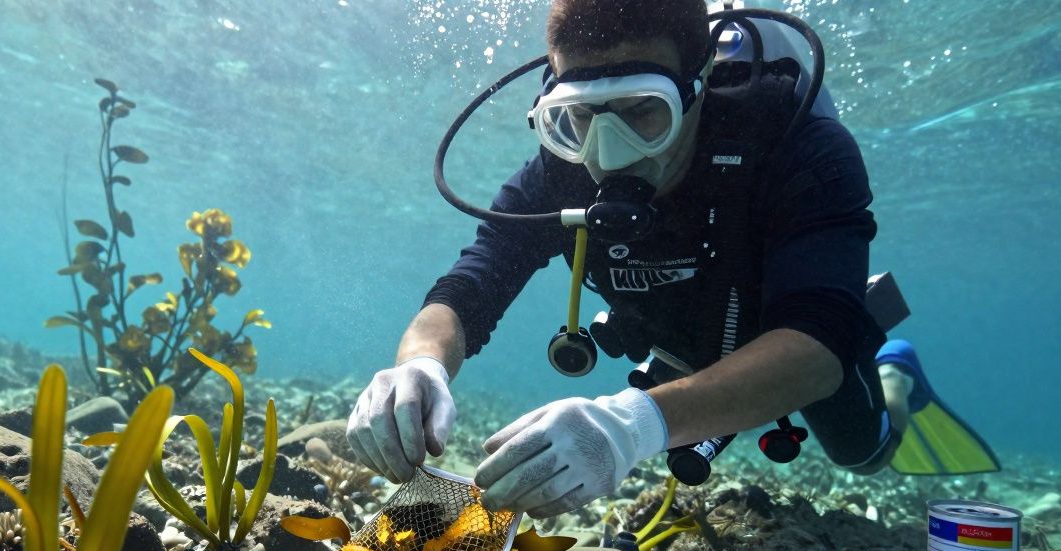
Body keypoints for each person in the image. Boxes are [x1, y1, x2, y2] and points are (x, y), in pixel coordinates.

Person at [348, 0, 998, 519]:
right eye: (577, 119)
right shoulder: (562, 171)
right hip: (682, 343)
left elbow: (817, 348)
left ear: (699, 84)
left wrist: (631, 426)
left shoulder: (797, 144)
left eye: (642, 114)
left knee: (864, 454)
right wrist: (421, 366)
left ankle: (895, 374)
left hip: (787, 339)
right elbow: (471, 284)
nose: (609, 149)